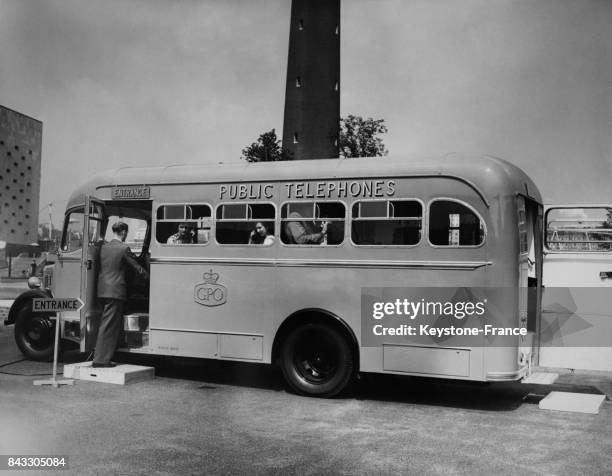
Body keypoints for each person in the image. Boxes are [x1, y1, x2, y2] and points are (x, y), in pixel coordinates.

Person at [93, 221, 149, 368]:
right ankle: (101, 360)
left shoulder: (104, 247)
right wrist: (151, 278)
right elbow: (137, 268)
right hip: (116, 290)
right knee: (109, 325)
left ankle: (104, 356)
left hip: (103, 289)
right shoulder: (123, 248)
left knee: (106, 323)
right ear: (124, 232)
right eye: (126, 233)